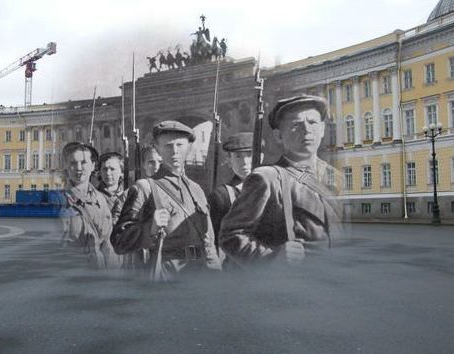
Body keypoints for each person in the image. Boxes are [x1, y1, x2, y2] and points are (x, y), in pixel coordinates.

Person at [219, 95, 342, 266]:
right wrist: (272, 257)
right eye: (295, 125)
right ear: (278, 136)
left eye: (312, 122)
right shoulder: (266, 178)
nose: (306, 130)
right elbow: (230, 236)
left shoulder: (334, 176)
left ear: (322, 129)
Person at [112, 121, 221, 279]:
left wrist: (216, 272)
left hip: (200, 274)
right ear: (157, 148)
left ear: (189, 147)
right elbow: (119, 242)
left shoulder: (197, 190)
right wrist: (150, 228)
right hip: (167, 275)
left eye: (180, 145)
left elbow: (208, 240)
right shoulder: (145, 188)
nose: (175, 151)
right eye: (168, 146)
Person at [60, 142, 122, 270]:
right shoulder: (58, 202)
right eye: (73, 163)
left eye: (83, 162)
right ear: (66, 166)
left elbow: (107, 242)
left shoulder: (100, 199)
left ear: (93, 166)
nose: (78, 168)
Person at [207, 132, 260, 250]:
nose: (245, 162)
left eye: (249, 155)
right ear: (229, 161)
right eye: (238, 156)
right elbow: (212, 239)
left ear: (260, 157)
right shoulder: (221, 196)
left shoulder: (272, 189)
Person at [97, 152, 127, 224]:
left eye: (112, 169)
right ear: (100, 172)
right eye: (105, 169)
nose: (108, 173)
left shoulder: (128, 196)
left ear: (121, 172)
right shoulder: (93, 196)